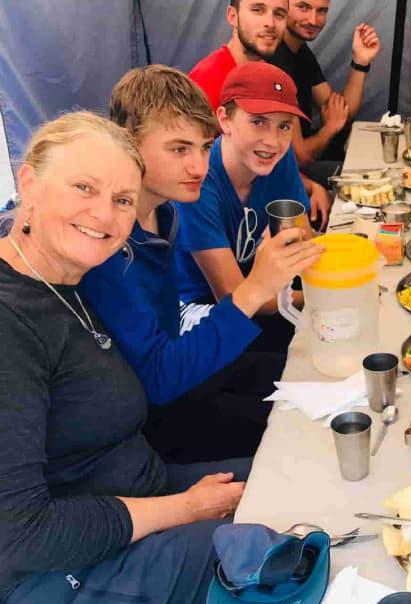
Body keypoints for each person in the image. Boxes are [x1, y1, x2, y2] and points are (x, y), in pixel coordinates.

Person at [0, 111, 249, 604]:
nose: (103, 214)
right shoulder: (10, 322)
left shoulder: (66, 282)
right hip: (59, 583)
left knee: (293, 473)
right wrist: (184, 509)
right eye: (83, 187)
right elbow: (20, 534)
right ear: (28, 184)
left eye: (121, 200)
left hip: (144, 495)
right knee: (290, 543)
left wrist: (179, 502)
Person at [80, 65, 322, 464]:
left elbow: (173, 342)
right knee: (298, 437)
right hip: (152, 422)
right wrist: (258, 286)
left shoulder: (165, 214)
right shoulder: (109, 248)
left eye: (204, 147)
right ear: (127, 144)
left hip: (187, 371)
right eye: (179, 150)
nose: (199, 166)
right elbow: (159, 381)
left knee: (305, 378)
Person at [175, 61, 314, 354]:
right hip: (208, 312)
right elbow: (235, 298)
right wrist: (319, 293)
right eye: (258, 121)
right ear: (224, 120)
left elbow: (302, 239)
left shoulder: (278, 156)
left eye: (284, 126)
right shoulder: (198, 183)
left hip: (261, 288)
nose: (273, 141)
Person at [190, 0, 330, 228]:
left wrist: (309, 186)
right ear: (232, 16)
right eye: (257, 10)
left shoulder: (272, 76)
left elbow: (274, 157)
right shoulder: (206, 81)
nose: (270, 23)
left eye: (279, 14)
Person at [269, 0, 381, 176]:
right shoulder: (274, 62)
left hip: (305, 158)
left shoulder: (301, 52)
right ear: (283, 7)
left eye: (321, 11)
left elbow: (344, 113)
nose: (313, 20)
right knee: (371, 178)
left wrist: (361, 62)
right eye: (303, 7)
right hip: (282, 173)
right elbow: (301, 157)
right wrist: (329, 128)